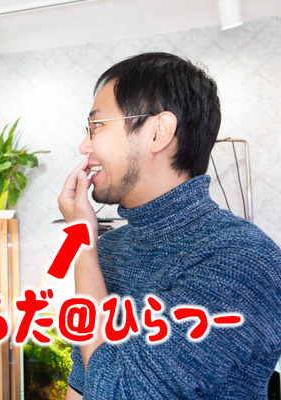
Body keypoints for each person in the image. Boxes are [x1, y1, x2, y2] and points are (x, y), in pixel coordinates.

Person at [57, 52, 281, 399]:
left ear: (158, 133)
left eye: (97, 126)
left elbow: (118, 393)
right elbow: (82, 382)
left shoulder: (244, 259)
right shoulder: (110, 250)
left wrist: (83, 244)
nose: (84, 145)